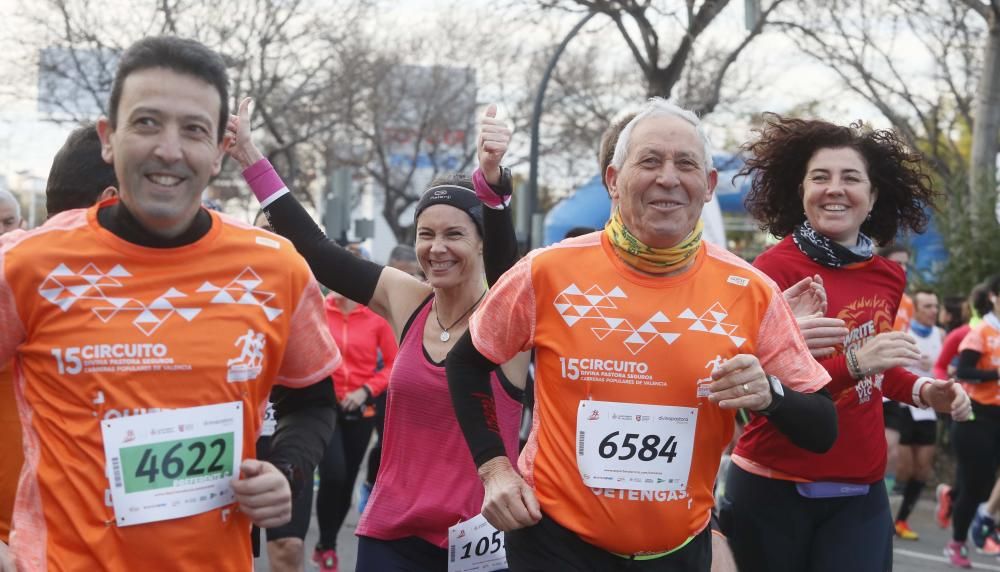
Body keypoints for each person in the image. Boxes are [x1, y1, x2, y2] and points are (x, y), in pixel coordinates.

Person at [446, 98, 839, 571]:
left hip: (677, 551)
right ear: (614, 180)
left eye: (686, 164)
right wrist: (495, 470)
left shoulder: (751, 291)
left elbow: (821, 428)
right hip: (554, 544)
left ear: (709, 185)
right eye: (650, 161)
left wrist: (769, 393)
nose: (668, 178)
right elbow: (467, 363)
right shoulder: (548, 271)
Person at [1, 36, 341, 571]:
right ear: (109, 139)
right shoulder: (23, 267)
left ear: (216, 155)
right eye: (146, 123)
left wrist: (288, 470)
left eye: (194, 129)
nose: (169, 149)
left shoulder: (277, 269)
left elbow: (313, 401)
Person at [230, 98, 527, 570]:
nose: (436, 248)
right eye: (425, 234)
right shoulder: (406, 298)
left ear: (481, 242)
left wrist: (491, 187)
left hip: (478, 540)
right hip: (392, 532)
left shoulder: (506, 321)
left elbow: (509, 275)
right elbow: (317, 250)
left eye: (454, 234)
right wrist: (250, 157)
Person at [727, 115, 971, 572]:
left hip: (861, 491)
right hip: (773, 485)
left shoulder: (889, 275)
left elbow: (879, 368)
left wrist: (924, 390)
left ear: (873, 196)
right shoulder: (769, 271)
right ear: (801, 191)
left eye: (850, 178)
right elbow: (761, 388)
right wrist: (856, 361)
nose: (834, 188)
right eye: (820, 177)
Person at [313, 243, 398, 572]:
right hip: (325, 407)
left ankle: (328, 542)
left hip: (361, 409)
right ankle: (326, 543)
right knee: (332, 474)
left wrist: (366, 390)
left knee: (347, 478)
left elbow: (393, 364)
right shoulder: (317, 308)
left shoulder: (375, 317)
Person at [948, 274, 1000, 565]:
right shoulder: (981, 332)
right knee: (976, 485)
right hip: (975, 416)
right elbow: (962, 371)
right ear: (993, 296)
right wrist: (996, 374)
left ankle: (983, 519)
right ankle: (957, 543)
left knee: (985, 484)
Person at [893, 289, 945, 540]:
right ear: (915, 309)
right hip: (903, 405)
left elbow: (945, 367)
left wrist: (934, 369)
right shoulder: (903, 330)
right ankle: (887, 515)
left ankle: (902, 519)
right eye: (927, 306)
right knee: (903, 467)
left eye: (935, 306)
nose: (933, 311)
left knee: (922, 469)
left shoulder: (940, 334)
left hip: (927, 409)